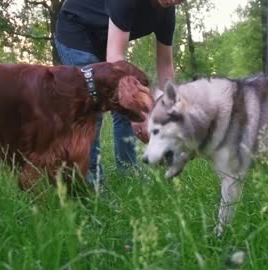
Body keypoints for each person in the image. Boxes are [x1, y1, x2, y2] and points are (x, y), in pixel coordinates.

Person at [55, 0, 183, 187]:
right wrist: (138, 112)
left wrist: (166, 111)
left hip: (103, 40)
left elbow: (165, 65)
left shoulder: (166, 13)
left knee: (124, 105)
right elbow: (115, 59)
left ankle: (128, 170)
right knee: (92, 108)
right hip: (76, 31)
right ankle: (92, 183)